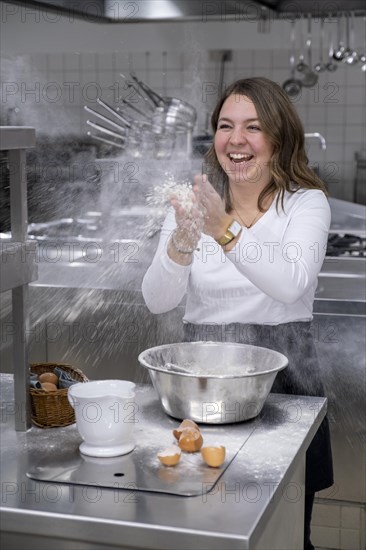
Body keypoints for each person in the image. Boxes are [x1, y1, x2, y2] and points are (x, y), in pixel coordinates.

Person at [142, 77, 334, 550]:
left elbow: (290, 284)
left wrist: (223, 228)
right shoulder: (196, 204)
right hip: (200, 381)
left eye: (253, 127)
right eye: (226, 126)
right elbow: (158, 299)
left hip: (284, 381)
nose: (236, 140)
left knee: (281, 532)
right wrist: (183, 239)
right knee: (201, 522)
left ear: (278, 139)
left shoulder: (305, 204)